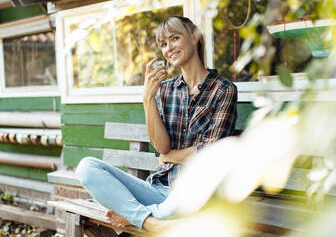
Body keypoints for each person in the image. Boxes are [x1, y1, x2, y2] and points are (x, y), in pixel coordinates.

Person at [75, 16, 238, 233]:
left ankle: (134, 215)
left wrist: (170, 156)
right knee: (86, 167)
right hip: (159, 188)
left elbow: (210, 153)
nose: (169, 48)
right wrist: (147, 98)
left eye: (175, 38)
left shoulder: (223, 90)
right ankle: (151, 220)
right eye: (163, 44)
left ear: (195, 37)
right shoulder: (166, 89)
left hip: (199, 188)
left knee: (172, 207)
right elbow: (161, 148)